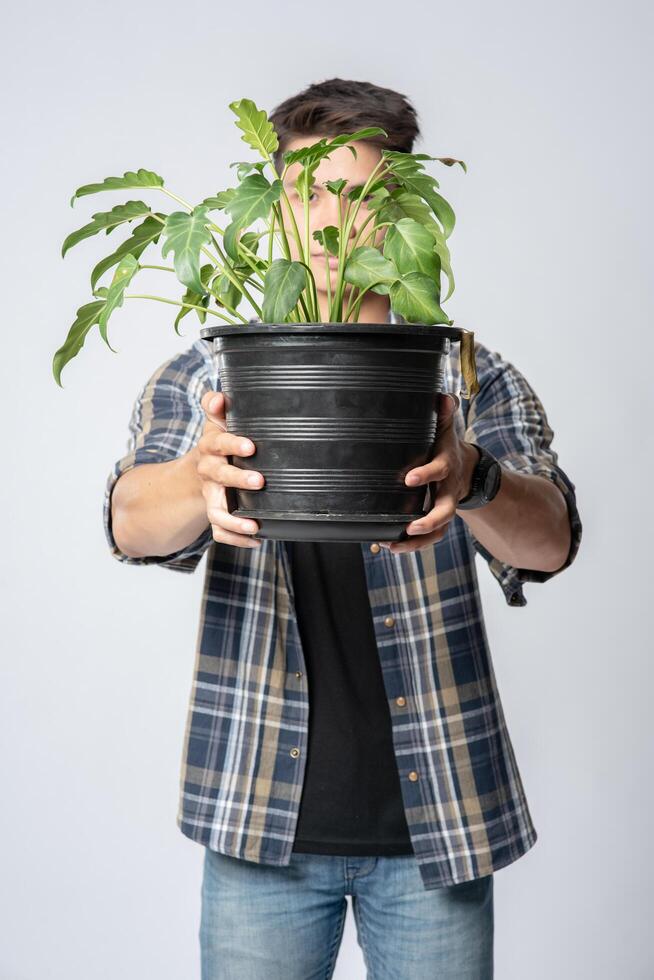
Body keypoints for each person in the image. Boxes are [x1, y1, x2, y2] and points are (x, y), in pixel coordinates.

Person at [103, 78, 583, 980]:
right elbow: (132, 522)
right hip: (259, 818)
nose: (330, 222)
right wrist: (198, 478)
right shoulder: (215, 373)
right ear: (275, 199)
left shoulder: (469, 377)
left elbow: (550, 541)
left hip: (438, 817)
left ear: (404, 208)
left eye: (361, 195)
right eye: (309, 191)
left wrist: (473, 475)